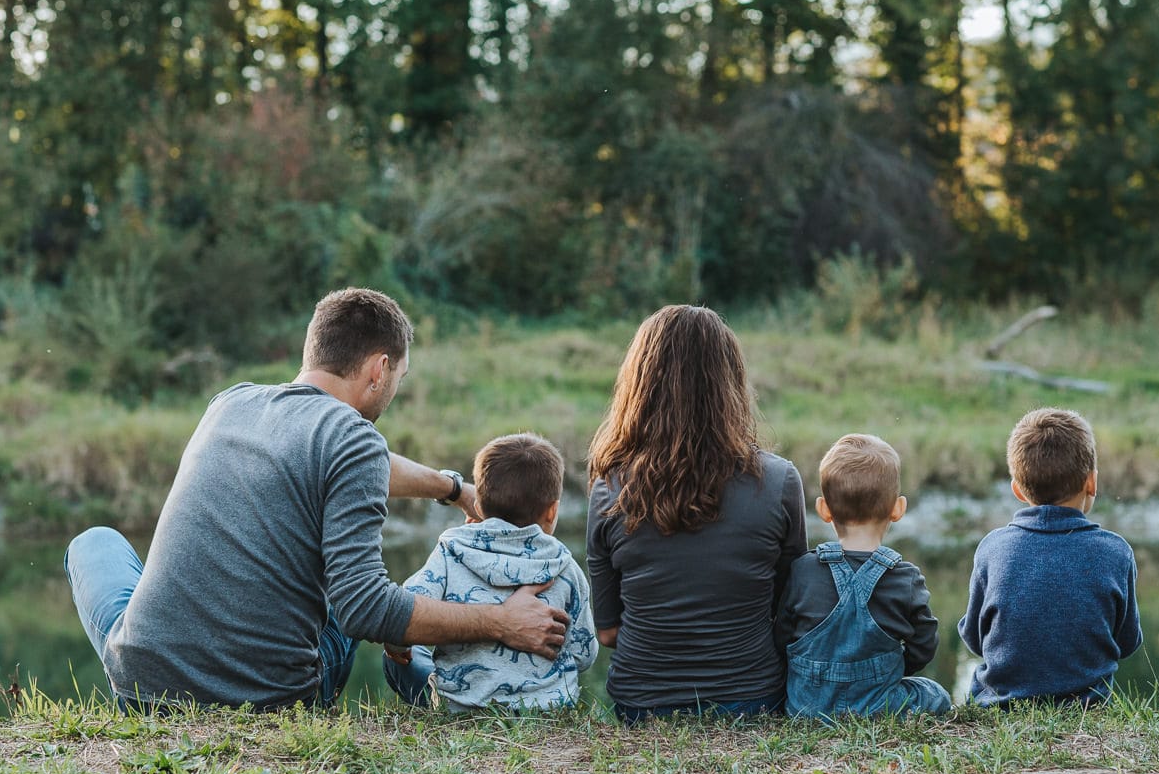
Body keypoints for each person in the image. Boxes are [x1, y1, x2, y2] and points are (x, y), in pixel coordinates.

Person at [63, 287, 567, 709]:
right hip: (269, 698)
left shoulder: (230, 404)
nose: (393, 388)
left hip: (142, 684)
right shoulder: (353, 439)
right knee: (346, 591)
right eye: (398, 378)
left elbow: (352, 464)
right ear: (379, 369)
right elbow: (364, 608)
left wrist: (452, 489)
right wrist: (499, 622)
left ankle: (150, 646)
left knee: (94, 541)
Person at [585, 304, 806, 722]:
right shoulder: (780, 482)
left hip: (641, 705)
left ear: (639, 384)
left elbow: (609, 631)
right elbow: (788, 612)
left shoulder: (608, 488)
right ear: (730, 383)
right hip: (752, 700)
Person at [382, 433, 597, 711]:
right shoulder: (565, 567)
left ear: (478, 506)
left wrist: (397, 649)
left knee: (397, 658)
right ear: (552, 511)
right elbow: (584, 655)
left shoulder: (452, 550)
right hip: (547, 708)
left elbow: (401, 619)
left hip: (462, 707)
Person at [957, 407, 1142, 707]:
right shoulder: (1116, 551)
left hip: (1000, 704)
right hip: (1088, 706)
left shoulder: (992, 548)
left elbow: (975, 639)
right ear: (1091, 482)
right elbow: (1127, 641)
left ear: (1017, 489)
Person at [774, 433, 952, 718]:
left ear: (824, 509)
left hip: (806, 706)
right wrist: (896, 670)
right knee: (935, 694)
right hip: (879, 704)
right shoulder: (905, 578)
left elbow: (783, 635)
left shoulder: (803, 570)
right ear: (898, 509)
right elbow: (925, 642)